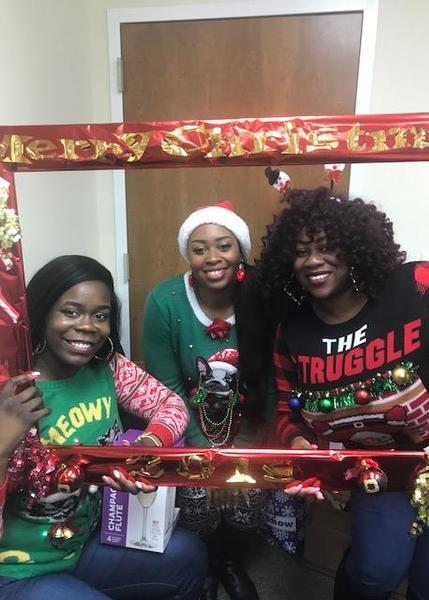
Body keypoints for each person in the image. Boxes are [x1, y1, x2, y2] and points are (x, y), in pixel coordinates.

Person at [257, 186, 429, 600]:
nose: (313, 261)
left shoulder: (418, 285)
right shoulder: (292, 332)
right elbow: (288, 410)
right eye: (301, 251)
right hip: (376, 472)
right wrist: (301, 445)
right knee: (376, 572)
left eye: (327, 247)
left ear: (356, 247)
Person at [0, 255, 206, 599]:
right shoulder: (12, 390)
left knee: (189, 556)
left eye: (100, 315)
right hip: (17, 570)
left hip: (81, 546)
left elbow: (170, 405)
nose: (88, 326)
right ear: (42, 311)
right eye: (70, 311)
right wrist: (3, 446)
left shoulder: (107, 367)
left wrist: (145, 446)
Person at [143, 201, 271, 600]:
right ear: (189, 255)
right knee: (197, 504)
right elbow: (166, 387)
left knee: (246, 502)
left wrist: (235, 460)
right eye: (199, 249)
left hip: (247, 431)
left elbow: (269, 385)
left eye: (224, 246)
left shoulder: (262, 297)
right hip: (189, 430)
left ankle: (230, 562)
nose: (212, 258)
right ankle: (204, 564)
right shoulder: (164, 301)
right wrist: (207, 460)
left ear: (240, 252)